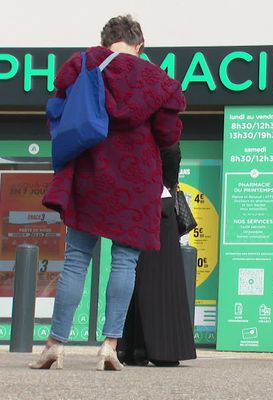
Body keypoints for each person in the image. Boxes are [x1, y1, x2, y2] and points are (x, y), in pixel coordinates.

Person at [30, 15, 186, 371]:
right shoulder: (157, 81)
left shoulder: (84, 63)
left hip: (89, 172)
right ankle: (109, 346)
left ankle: (55, 344)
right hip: (136, 180)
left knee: (76, 260)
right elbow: (167, 135)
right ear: (140, 45)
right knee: (125, 261)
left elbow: (56, 109)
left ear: (105, 41)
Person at [117, 143, 197, 367]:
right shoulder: (163, 124)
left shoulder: (132, 127)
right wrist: (167, 183)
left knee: (134, 270)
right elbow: (172, 155)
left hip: (134, 204)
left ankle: (133, 347)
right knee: (162, 277)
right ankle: (163, 349)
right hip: (159, 209)